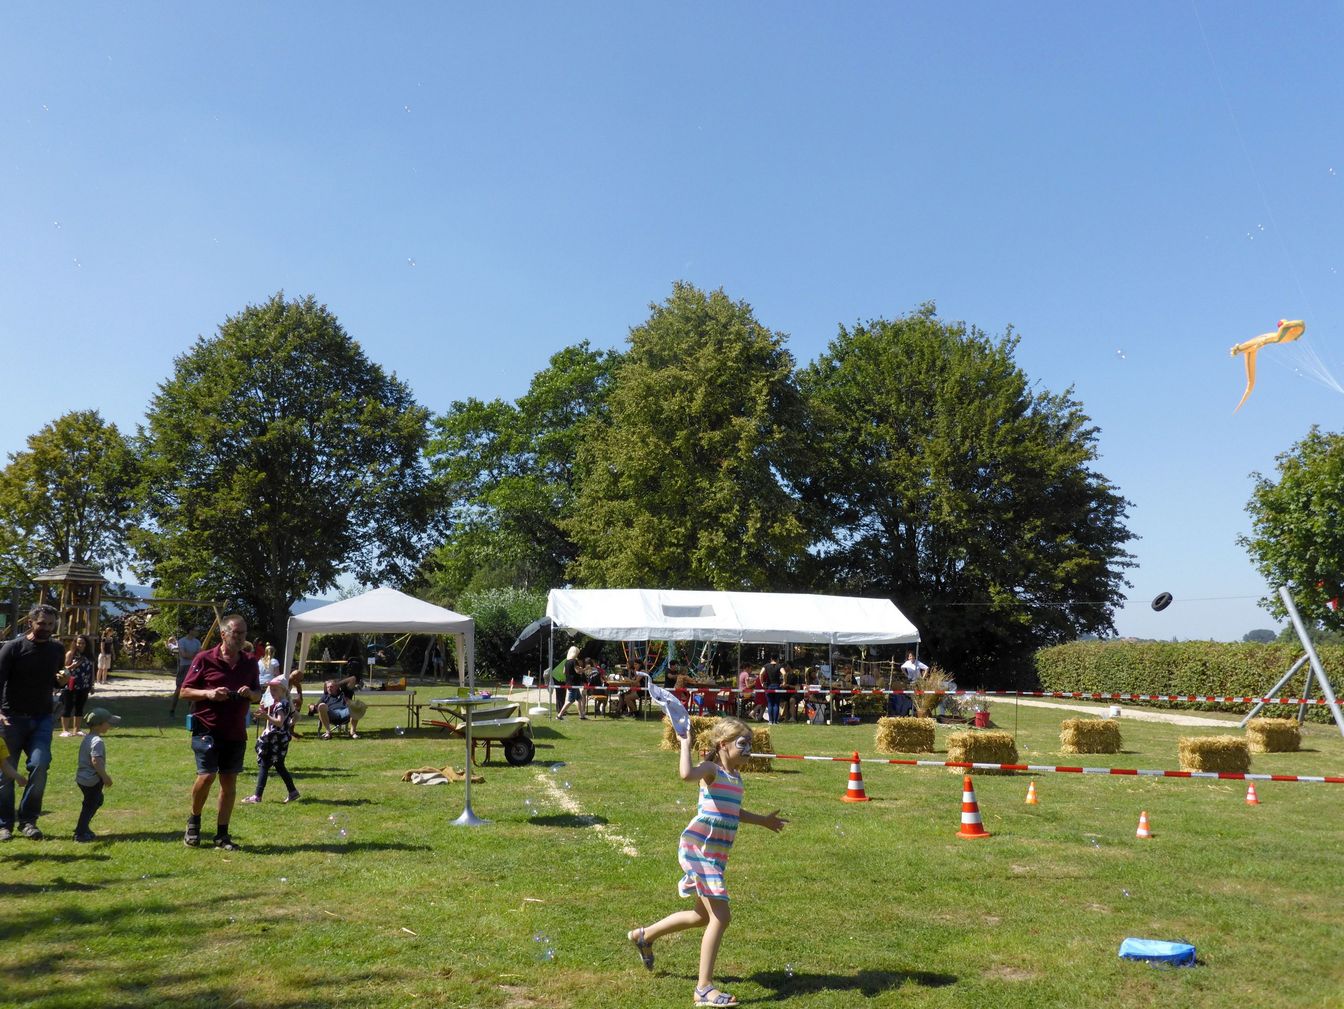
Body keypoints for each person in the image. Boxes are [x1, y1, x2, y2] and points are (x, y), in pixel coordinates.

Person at [625, 717, 786, 1007]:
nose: (748, 748)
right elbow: (686, 774)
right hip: (699, 850)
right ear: (723, 745)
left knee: (701, 916)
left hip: (716, 854)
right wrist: (685, 742)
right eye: (742, 743)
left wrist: (763, 820)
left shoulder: (736, 777)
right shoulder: (711, 770)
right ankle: (703, 989)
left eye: (750, 743)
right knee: (721, 917)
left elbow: (732, 811)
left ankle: (644, 935)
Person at [179, 613, 258, 850]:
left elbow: (258, 694)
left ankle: (222, 835)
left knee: (229, 781)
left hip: (235, 730)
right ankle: (194, 821)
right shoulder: (204, 658)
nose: (241, 638)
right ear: (223, 634)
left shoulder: (250, 662)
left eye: (244, 633)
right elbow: (184, 691)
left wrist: (250, 694)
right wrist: (209, 694)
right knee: (206, 776)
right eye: (236, 633)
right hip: (207, 728)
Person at [0, 604, 67, 841]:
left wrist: (63, 680)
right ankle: (4, 824)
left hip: (42, 718)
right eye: (42, 624)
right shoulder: (13, 648)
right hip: (11, 718)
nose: (46, 628)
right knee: (5, 773)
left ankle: (28, 821)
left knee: (40, 765)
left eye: (50, 624)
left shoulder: (57, 649)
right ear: (30, 623)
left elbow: (56, 680)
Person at [243, 676, 299, 804]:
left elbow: (279, 722)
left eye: (274, 689)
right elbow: (290, 719)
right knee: (279, 766)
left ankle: (257, 796)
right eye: (270, 689)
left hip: (275, 740)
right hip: (279, 739)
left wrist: (266, 716)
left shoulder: (280, 704)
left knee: (264, 764)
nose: (271, 692)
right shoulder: (284, 703)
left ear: (283, 690)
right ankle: (293, 791)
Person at [74, 707, 119, 842]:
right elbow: (96, 761)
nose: (110, 725)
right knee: (89, 806)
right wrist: (105, 777)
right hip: (92, 780)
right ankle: (80, 833)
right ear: (99, 725)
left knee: (97, 800)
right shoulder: (97, 741)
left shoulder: (88, 738)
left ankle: (84, 827)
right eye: (108, 723)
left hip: (82, 778)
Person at [59, 635, 96, 737]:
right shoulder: (70, 654)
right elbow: (62, 669)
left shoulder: (89, 656)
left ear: (86, 644)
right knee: (67, 706)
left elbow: (91, 671)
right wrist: (73, 666)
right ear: (75, 643)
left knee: (80, 707)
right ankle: (65, 730)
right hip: (70, 684)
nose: (80, 645)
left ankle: (77, 729)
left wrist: (92, 684)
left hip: (84, 685)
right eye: (78, 643)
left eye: (83, 643)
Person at [168, 627, 203, 717]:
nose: (197, 632)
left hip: (194, 667)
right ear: (190, 631)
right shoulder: (182, 641)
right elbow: (184, 655)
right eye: (196, 630)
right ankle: (172, 710)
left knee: (192, 688)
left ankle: (191, 713)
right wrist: (194, 655)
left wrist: (193, 655)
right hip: (184, 667)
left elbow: (200, 654)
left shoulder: (197, 642)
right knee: (179, 689)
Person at [556, 646, 586, 721]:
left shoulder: (567, 661)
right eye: (577, 653)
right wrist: (585, 669)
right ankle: (559, 715)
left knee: (579, 699)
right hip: (573, 684)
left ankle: (581, 716)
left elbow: (564, 672)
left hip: (569, 683)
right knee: (570, 701)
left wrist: (572, 671)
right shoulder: (574, 661)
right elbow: (578, 671)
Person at [761, 657, 783, 725]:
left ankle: (770, 721)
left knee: (770, 703)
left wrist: (762, 683)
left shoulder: (766, 666)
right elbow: (784, 673)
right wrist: (784, 682)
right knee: (776, 704)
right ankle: (775, 721)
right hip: (777, 686)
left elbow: (761, 673)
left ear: (771, 659)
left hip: (769, 687)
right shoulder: (779, 666)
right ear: (777, 659)